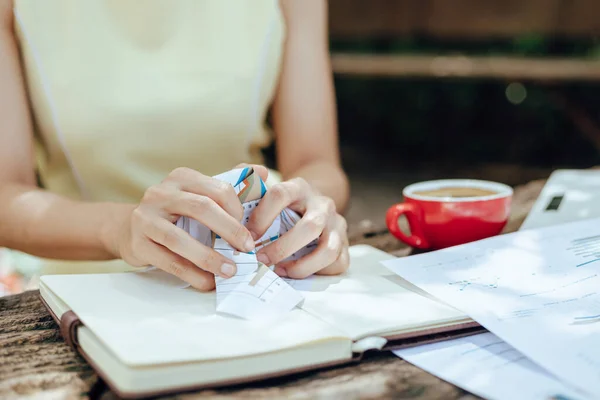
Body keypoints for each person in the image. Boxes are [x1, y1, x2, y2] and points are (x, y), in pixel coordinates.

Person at [0, 0, 350, 291]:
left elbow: (315, 161)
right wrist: (121, 229)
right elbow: (6, 193)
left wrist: (313, 205)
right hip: (92, 291)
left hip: (258, 276)